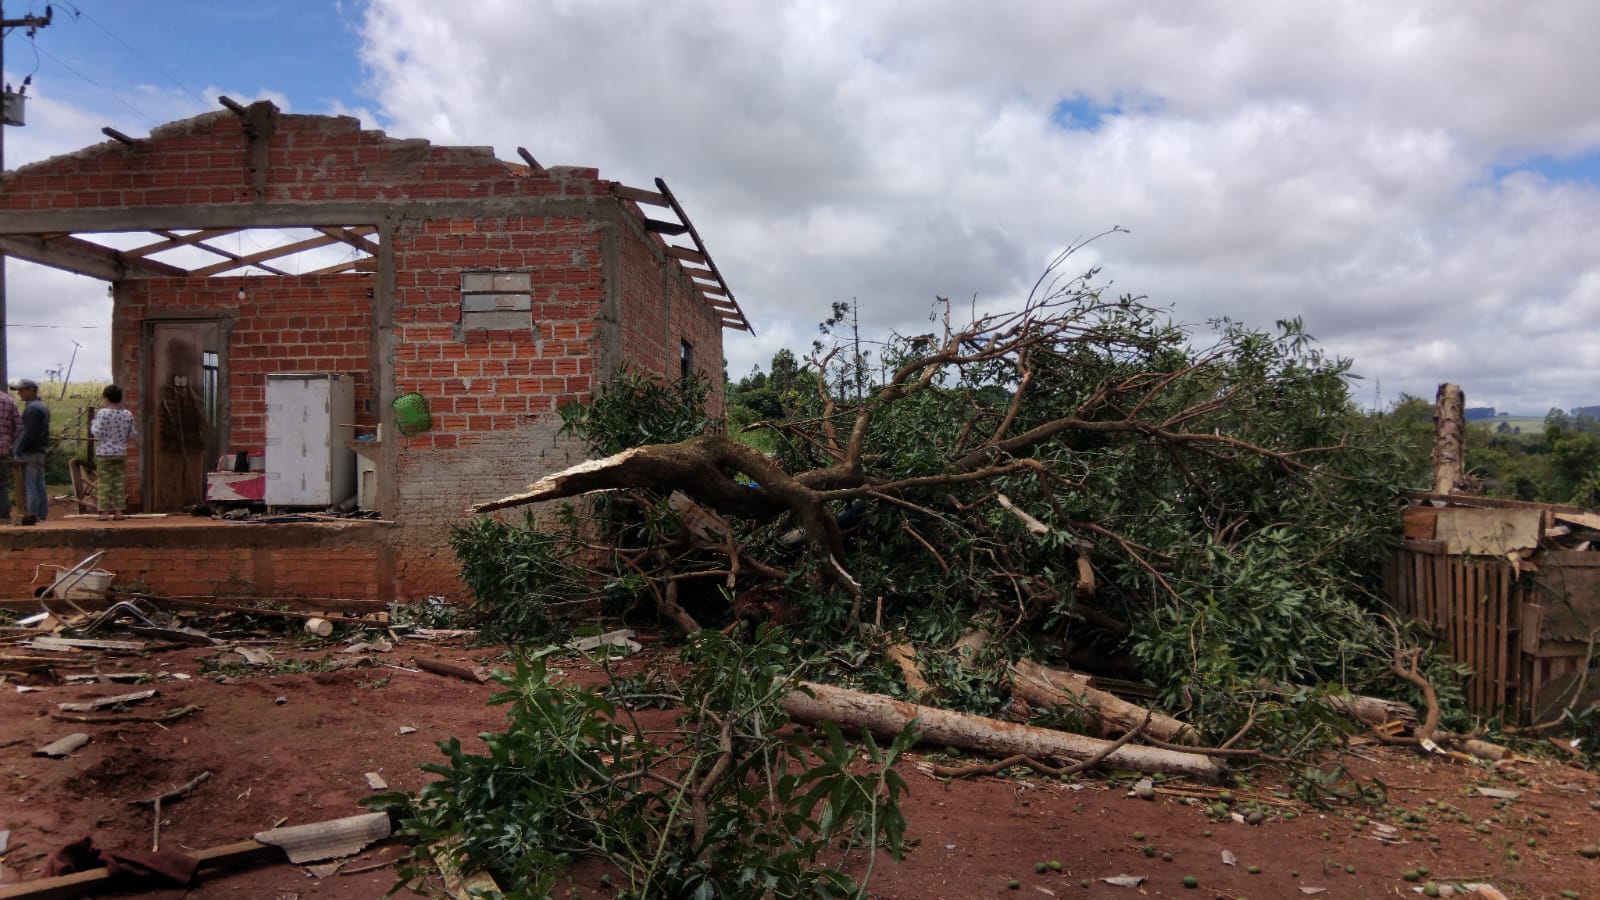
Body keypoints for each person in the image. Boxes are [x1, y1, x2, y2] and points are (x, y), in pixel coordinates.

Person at [90, 383, 136, 521]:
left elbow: (97, 432)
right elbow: (132, 434)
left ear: (106, 398)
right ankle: (119, 512)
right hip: (120, 453)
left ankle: (104, 512)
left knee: (105, 482)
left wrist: (93, 425)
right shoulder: (127, 414)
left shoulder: (103, 414)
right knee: (119, 483)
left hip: (104, 453)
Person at [11, 378, 49, 525]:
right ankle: (42, 515)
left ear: (32, 390)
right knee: (40, 483)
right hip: (40, 450)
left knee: (30, 484)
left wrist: (17, 448)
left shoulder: (31, 409)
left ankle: (32, 514)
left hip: (29, 452)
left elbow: (28, 433)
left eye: (22, 390)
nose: (19, 393)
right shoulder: (42, 406)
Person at [0, 384, 19, 522]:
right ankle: (4, 514)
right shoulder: (9, 400)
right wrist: (8, 440)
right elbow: (19, 427)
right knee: (1, 483)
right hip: (2, 448)